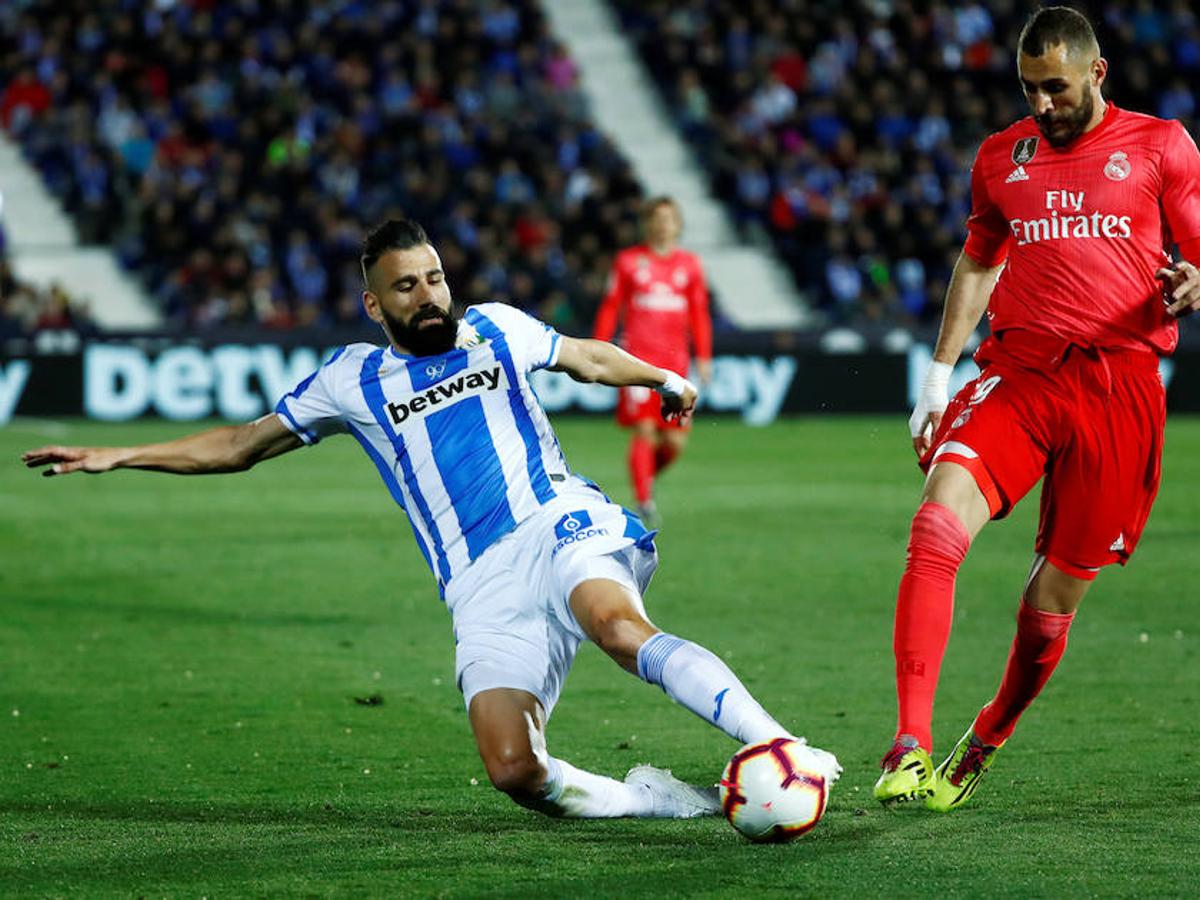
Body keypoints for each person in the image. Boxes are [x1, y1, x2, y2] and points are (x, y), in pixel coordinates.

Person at [24, 219, 839, 819]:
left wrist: (662, 376)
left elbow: (587, 356)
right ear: (373, 303)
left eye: (435, 278)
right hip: (479, 581)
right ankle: (660, 802)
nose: (428, 296)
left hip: (557, 522)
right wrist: (118, 456)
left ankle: (781, 746)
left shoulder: (496, 328)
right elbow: (240, 445)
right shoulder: (350, 379)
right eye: (406, 286)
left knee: (616, 627)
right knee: (515, 770)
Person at [873, 7, 1200, 812]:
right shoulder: (1003, 157)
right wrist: (937, 377)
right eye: (1029, 88)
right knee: (936, 523)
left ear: (1097, 73)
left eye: (1056, 88)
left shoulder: (1160, 145)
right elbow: (979, 261)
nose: (1041, 104)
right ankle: (908, 742)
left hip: (1121, 391)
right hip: (1023, 374)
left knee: (1051, 603)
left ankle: (988, 734)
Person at [592, 197, 713, 526]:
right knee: (644, 429)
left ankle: (643, 476)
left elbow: (699, 314)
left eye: (668, 218)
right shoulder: (629, 261)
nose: (662, 224)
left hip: (677, 363)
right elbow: (611, 305)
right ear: (647, 224)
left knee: (674, 442)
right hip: (636, 361)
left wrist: (704, 356)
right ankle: (644, 501)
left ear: (678, 225)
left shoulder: (690, 265)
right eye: (656, 218)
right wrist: (600, 345)